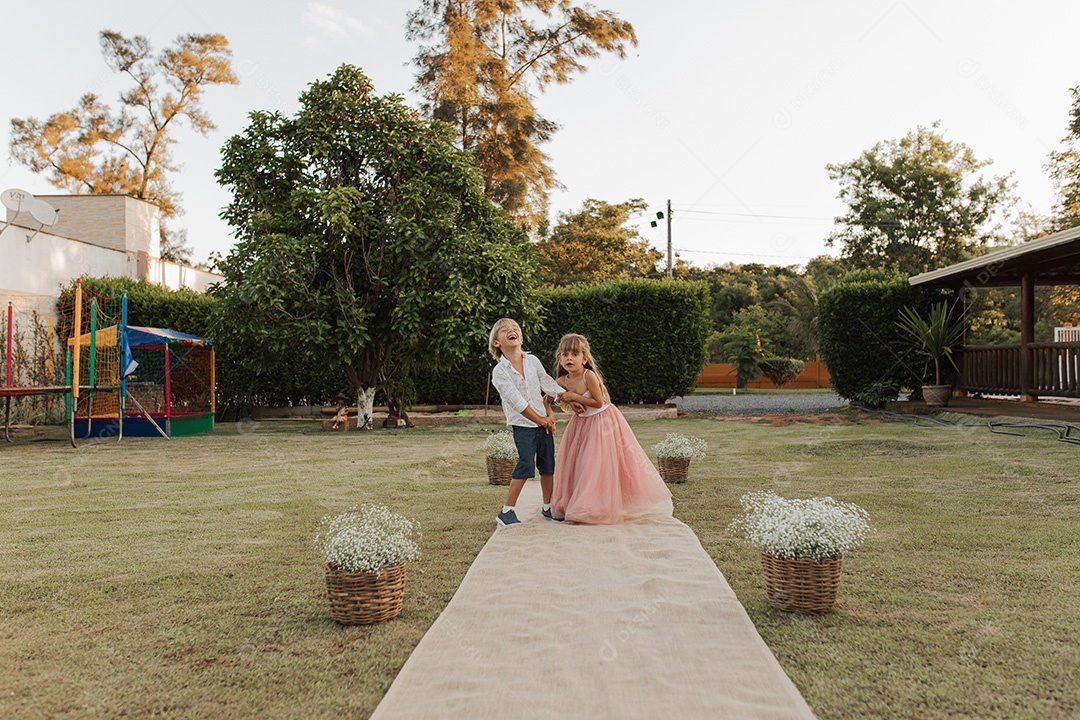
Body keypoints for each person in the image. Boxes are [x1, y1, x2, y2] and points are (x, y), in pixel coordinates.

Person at [549, 333, 672, 524]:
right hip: (580, 424)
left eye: (574, 354)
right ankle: (578, 503)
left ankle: (593, 507)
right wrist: (564, 402)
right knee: (578, 464)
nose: (569, 358)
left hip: (602, 422)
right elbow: (549, 396)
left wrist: (574, 397)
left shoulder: (588, 376)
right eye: (565, 355)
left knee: (594, 464)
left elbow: (598, 402)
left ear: (584, 358)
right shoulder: (561, 382)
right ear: (559, 359)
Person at [488, 318, 565, 526]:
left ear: (520, 338)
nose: (511, 331)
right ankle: (506, 512)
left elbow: (546, 382)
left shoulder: (532, 361)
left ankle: (548, 507)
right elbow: (517, 402)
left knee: (548, 466)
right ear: (496, 343)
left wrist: (566, 398)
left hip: (543, 423)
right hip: (523, 425)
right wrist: (541, 419)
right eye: (505, 330)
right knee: (525, 465)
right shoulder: (500, 372)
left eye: (515, 329)